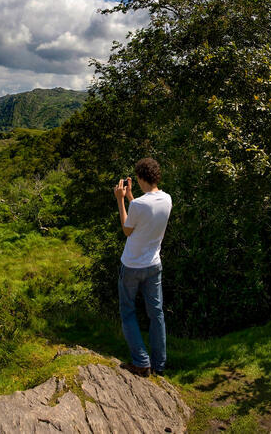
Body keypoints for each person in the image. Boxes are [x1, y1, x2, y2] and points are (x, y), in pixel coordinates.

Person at [113, 157, 172, 377]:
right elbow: (146, 214)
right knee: (156, 314)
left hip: (132, 265)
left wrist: (121, 200)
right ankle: (159, 365)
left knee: (128, 311)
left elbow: (128, 229)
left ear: (139, 178)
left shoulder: (138, 205)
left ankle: (141, 362)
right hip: (154, 265)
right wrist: (130, 197)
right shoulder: (166, 199)